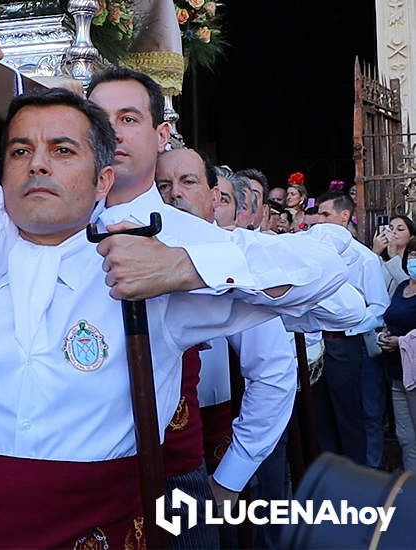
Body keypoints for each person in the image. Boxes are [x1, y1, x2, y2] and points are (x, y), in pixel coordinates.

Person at [0, 14, 360, 545]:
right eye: (21, 150)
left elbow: (341, 289)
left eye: (62, 150)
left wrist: (185, 268)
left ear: (102, 182)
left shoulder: (146, 269)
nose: (38, 164)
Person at [154, 147, 297, 548]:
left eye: (187, 182)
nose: (174, 195)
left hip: (203, 457)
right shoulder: (123, 250)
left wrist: (230, 478)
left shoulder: (233, 261)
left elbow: (273, 374)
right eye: (162, 185)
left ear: (214, 197)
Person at [313, 189, 390, 465]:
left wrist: (348, 325)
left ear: (345, 216)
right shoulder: (314, 257)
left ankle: (355, 484)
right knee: (321, 419)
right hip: (315, 346)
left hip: (347, 346)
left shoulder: (365, 259)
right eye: (318, 214)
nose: (319, 221)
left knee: (350, 418)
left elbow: (379, 307)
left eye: (326, 215)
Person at [378, 237, 416, 472]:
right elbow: (391, 316)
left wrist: (401, 342)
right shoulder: (403, 287)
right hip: (397, 373)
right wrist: (385, 333)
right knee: (405, 437)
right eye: (412, 256)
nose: (414, 261)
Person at [373, 214, 416, 294]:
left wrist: (393, 255)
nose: (393, 232)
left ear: (411, 237)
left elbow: (405, 284)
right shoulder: (382, 261)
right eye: (391, 228)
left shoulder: (412, 263)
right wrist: (375, 253)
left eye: (400, 229)